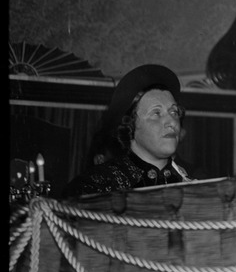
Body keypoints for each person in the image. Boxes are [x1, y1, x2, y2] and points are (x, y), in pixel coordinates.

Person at [61, 64, 195, 198]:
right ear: (130, 125)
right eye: (156, 113)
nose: (172, 122)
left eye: (174, 112)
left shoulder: (194, 187)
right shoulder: (93, 187)